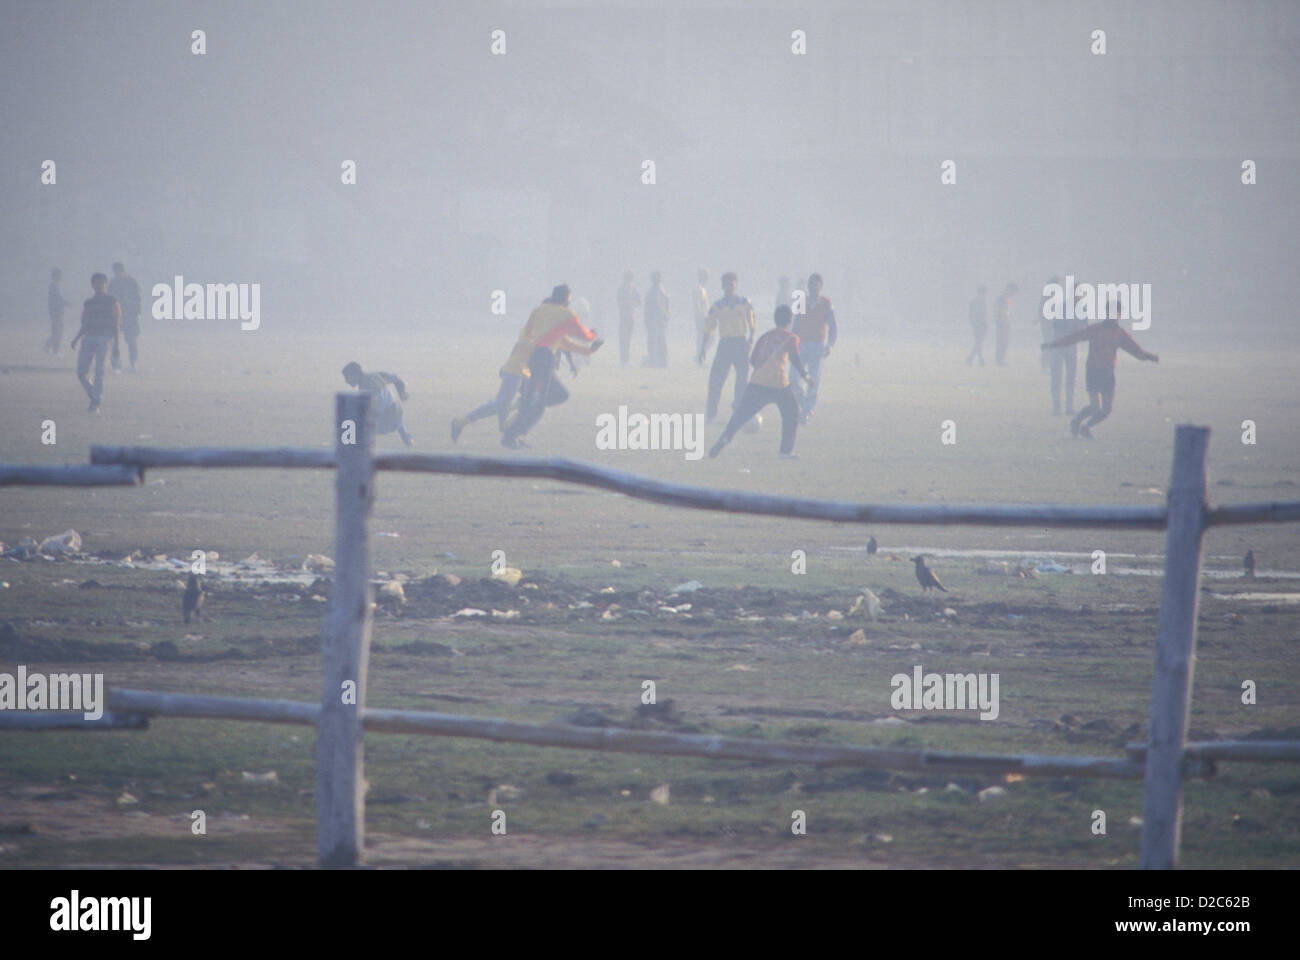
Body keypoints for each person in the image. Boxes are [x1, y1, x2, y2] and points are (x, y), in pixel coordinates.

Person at [501, 285, 604, 448]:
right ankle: (511, 436)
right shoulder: (565, 313)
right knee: (538, 406)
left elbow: (557, 341)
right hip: (543, 360)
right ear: (565, 299)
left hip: (536, 358)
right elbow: (583, 334)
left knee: (559, 395)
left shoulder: (539, 310)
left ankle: (523, 410)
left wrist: (588, 351)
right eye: (569, 300)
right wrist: (593, 336)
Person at [1042, 300, 1158, 439]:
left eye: (1116, 312)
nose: (1113, 315)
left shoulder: (1119, 333)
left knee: (1106, 410)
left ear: (1120, 314)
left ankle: (1085, 426)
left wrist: (1149, 357)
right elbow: (1074, 338)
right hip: (1093, 370)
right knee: (1095, 407)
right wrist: (1053, 344)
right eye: (1111, 312)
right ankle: (1076, 422)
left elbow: (1135, 350)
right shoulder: (1096, 329)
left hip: (1108, 372)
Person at [709, 305, 812, 459]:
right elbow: (794, 358)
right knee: (791, 413)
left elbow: (753, 360)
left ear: (775, 319)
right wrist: (805, 375)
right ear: (790, 321)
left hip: (756, 382)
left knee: (739, 416)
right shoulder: (791, 337)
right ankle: (785, 452)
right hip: (779, 384)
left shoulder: (765, 336)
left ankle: (720, 444)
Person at [698, 271, 756, 422]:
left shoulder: (744, 303)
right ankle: (711, 414)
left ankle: (738, 410)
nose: (730, 286)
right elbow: (708, 328)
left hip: (740, 343)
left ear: (736, 284)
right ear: (722, 286)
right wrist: (703, 348)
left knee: (742, 379)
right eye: (727, 284)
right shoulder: (717, 306)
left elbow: (752, 324)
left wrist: (751, 340)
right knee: (716, 380)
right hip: (725, 344)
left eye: (732, 283)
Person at [69, 273, 120, 413]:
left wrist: (117, 344)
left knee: (99, 371)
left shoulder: (113, 301)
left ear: (106, 284)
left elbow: (116, 323)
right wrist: (76, 338)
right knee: (81, 372)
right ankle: (95, 397)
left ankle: (95, 402)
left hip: (105, 339)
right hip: (89, 338)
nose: (99, 286)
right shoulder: (88, 303)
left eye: (101, 283)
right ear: (92, 285)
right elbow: (85, 323)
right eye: (96, 283)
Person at [790, 273, 837, 421]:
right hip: (801, 344)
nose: (813, 287)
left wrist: (830, 345)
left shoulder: (826, 303)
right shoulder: (801, 301)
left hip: (817, 345)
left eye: (816, 285)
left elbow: (833, 327)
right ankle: (803, 404)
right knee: (793, 378)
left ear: (820, 286)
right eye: (810, 284)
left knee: (813, 379)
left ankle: (807, 411)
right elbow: (795, 325)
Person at [342, 361, 413, 445]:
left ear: (355, 374)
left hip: (385, 423)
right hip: (398, 415)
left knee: (351, 419)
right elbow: (396, 378)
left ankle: (356, 447)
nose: (346, 381)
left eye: (347, 377)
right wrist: (402, 393)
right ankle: (406, 436)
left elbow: (375, 403)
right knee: (390, 403)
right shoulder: (377, 375)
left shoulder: (365, 385)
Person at [1044, 275, 1080, 416]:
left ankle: (1067, 406)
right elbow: (1058, 325)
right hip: (1062, 344)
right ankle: (1058, 406)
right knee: (1059, 376)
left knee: (1068, 377)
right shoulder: (1064, 307)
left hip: (1069, 345)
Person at [108, 261, 142, 371]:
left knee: (130, 340)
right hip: (119, 315)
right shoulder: (116, 282)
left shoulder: (130, 282)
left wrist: (137, 312)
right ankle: (120, 363)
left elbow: (138, 298)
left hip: (127, 315)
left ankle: (131, 363)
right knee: (118, 341)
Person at [643, 271, 669, 367]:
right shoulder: (656, 291)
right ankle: (657, 361)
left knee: (657, 341)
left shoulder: (657, 291)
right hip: (655, 321)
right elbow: (659, 306)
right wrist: (666, 314)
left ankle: (658, 361)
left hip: (656, 321)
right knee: (657, 341)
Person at [616, 271, 640, 366]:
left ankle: (627, 359)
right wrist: (627, 304)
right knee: (624, 338)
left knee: (629, 338)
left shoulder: (633, 288)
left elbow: (639, 300)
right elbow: (619, 301)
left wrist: (633, 304)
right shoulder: (621, 288)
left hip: (632, 315)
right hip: (624, 315)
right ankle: (624, 360)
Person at [46, 268, 70, 354]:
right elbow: (58, 297)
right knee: (58, 331)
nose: (61, 277)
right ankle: (53, 348)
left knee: (57, 330)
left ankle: (51, 347)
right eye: (60, 275)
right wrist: (66, 303)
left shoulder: (56, 285)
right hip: (56, 311)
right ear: (56, 276)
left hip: (56, 311)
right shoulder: (54, 285)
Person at [994, 282, 1017, 366]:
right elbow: (999, 311)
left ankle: (1000, 359)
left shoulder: (1005, 298)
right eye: (1013, 292)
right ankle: (999, 360)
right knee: (1002, 342)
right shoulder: (1002, 298)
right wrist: (1001, 321)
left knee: (1004, 342)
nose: (1013, 294)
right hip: (1002, 323)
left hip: (1005, 323)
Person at [966, 285, 988, 366]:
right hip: (980, 324)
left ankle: (977, 359)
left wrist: (972, 322)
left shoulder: (973, 301)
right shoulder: (981, 301)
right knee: (979, 342)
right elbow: (981, 314)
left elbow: (970, 314)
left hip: (976, 324)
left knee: (978, 342)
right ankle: (974, 358)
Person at [692, 269, 710, 366]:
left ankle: (699, 355)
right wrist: (701, 316)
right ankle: (699, 356)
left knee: (706, 337)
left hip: (704, 316)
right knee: (703, 337)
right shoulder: (698, 289)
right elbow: (698, 304)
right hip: (701, 317)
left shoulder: (703, 289)